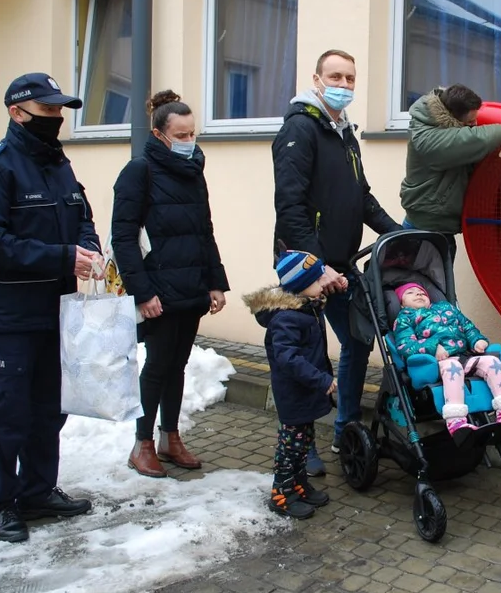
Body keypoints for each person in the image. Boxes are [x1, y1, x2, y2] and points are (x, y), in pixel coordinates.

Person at [0, 72, 102, 543]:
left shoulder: (58, 165)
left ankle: (38, 491)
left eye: (60, 111)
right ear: (17, 112)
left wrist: (89, 249)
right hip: (8, 316)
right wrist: (62, 256)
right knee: (6, 412)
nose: (56, 119)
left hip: (56, 311)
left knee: (46, 411)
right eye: (47, 111)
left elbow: (82, 217)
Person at [271, 49, 402, 473]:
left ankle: (345, 424)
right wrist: (316, 264)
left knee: (358, 340)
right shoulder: (300, 129)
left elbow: (360, 196)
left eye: (350, 78)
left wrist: (397, 233)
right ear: (316, 78)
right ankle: (301, 441)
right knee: (305, 355)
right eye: (336, 77)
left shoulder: (343, 132)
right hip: (305, 270)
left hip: (341, 266)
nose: (344, 85)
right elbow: (289, 206)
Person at [111, 90, 230, 478]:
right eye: (181, 135)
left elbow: (205, 230)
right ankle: (142, 443)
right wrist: (142, 292)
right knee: (158, 365)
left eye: (193, 134)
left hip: (192, 286)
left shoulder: (194, 171)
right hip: (158, 292)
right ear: (160, 135)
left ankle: (170, 437)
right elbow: (124, 237)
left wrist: (215, 282)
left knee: (177, 365)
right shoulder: (139, 170)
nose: (189, 142)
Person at [244, 250, 337, 519]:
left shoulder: (306, 309)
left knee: (303, 442)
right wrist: (321, 379)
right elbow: (289, 359)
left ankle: (298, 485)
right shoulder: (286, 318)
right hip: (294, 393)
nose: (322, 284)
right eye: (317, 280)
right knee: (290, 447)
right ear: (300, 285)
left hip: (305, 392)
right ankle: (282, 494)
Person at [399, 84, 501, 258]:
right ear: (453, 119)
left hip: (441, 231)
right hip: (421, 233)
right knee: (417, 285)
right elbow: (474, 139)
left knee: (437, 285)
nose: (476, 125)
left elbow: (494, 137)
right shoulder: (427, 139)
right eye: (470, 122)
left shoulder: (454, 125)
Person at [391, 283, 501, 440]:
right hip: (432, 364)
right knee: (453, 367)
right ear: (401, 303)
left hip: (464, 356)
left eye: (422, 292)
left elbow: (467, 327)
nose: (418, 294)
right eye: (410, 293)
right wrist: (433, 347)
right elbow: (405, 346)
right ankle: (456, 420)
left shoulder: (446, 307)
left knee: (491, 362)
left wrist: (476, 340)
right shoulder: (405, 318)